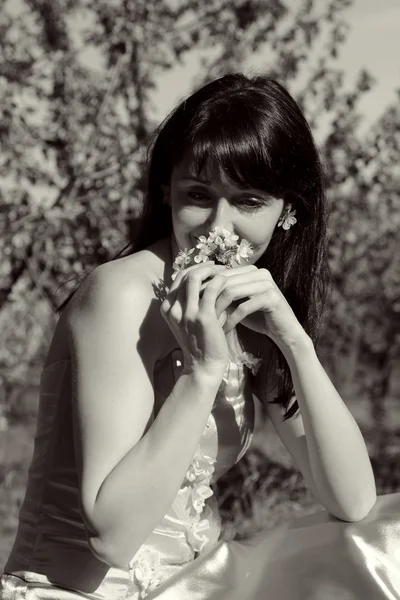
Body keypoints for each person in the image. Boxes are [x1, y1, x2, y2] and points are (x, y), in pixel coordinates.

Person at [1, 73, 399, 600]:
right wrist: (202, 371)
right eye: (198, 195)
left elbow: (352, 500)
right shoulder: (120, 294)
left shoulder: (250, 311)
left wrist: (293, 342)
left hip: (200, 582)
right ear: (166, 191)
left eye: (250, 201)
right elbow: (112, 538)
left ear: (290, 212)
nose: (219, 226)